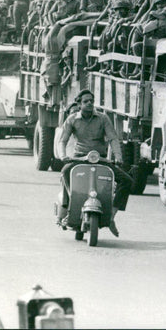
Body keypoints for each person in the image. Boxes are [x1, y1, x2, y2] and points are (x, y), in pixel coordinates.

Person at [55, 89, 132, 237]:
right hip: (79, 158)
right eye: (86, 101)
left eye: (91, 100)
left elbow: (113, 138)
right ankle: (70, 206)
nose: (89, 103)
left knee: (127, 181)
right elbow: (62, 141)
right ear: (79, 104)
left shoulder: (103, 118)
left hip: (100, 159)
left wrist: (118, 156)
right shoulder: (72, 119)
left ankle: (111, 216)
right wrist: (64, 155)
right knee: (65, 172)